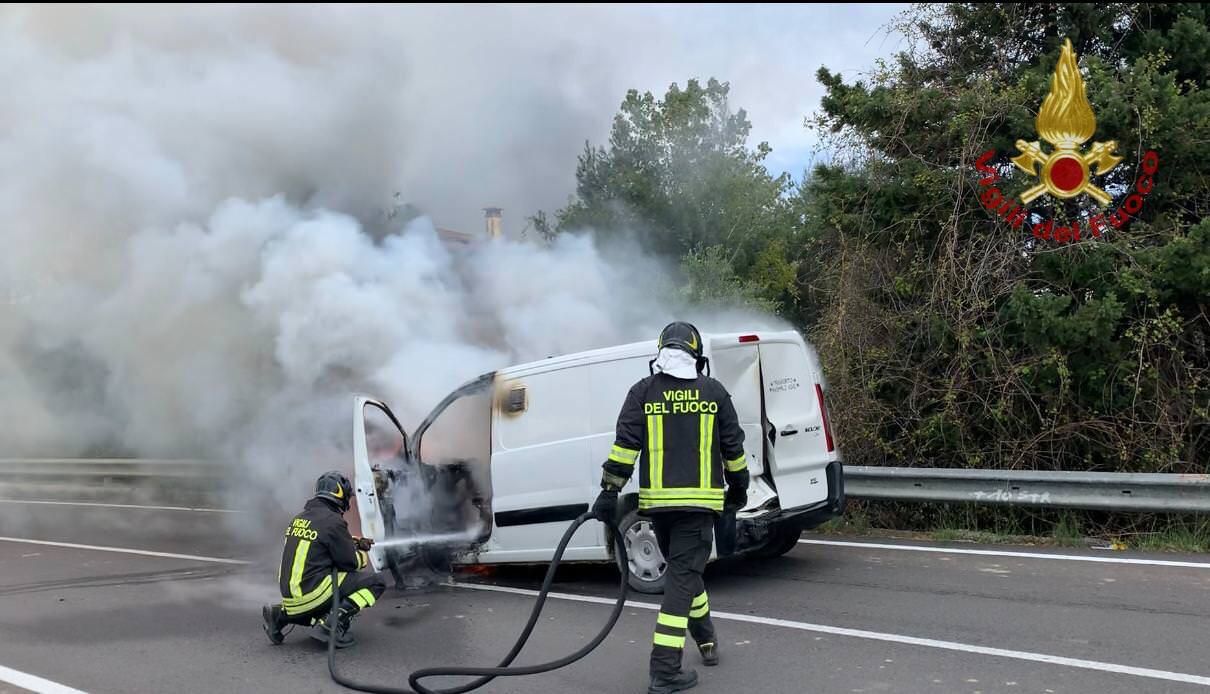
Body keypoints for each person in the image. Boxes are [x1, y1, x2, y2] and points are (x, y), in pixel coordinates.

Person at [593, 322, 750, 694]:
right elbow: (734, 448)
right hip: (698, 510)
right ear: (697, 356)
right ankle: (664, 670)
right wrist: (739, 489)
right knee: (681, 580)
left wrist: (608, 493)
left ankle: (706, 639)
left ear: (660, 353)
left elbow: (624, 448)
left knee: (684, 574)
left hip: (658, 511)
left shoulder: (642, 392)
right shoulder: (714, 393)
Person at [262, 471, 387, 648]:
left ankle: (278, 616)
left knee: (311, 595)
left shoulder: (299, 518)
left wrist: (354, 542)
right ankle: (331, 626)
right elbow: (350, 563)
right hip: (313, 595)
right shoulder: (333, 521)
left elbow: (321, 543)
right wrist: (362, 554)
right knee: (376, 582)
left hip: (290, 599)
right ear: (340, 495)